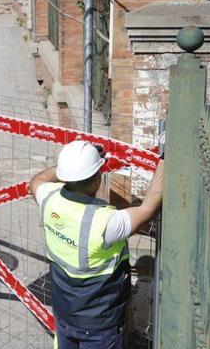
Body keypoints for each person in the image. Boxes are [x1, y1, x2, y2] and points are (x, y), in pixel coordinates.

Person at [29, 141, 164, 349]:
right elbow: (148, 210)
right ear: (96, 181)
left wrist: (72, 166)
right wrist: (166, 159)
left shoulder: (48, 198)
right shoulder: (105, 222)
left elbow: (38, 179)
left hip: (65, 313)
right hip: (100, 325)